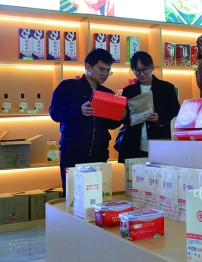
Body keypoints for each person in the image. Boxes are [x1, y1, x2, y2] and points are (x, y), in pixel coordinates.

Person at [50, 48, 123, 192]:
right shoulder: (68, 86)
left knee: (98, 196)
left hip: (99, 154)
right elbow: (55, 112)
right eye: (101, 70)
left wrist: (120, 117)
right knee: (73, 196)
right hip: (73, 152)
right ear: (88, 66)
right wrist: (79, 110)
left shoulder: (107, 93)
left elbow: (110, 125)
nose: (104, 74)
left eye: (108, 71)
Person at [115, 51, 180, 163]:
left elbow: (176, 114)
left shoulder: (166, 88)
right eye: (137, 70)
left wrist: (159, 117)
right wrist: (122, 116)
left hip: (159, 143)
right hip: (133, 145)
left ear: (152, 67)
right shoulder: (128, 91)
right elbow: (125, 119)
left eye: (145, 69)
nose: (142, 74)